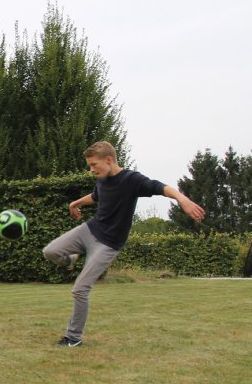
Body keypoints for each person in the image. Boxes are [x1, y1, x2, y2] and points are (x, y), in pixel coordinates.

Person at [42, 141, 205, 347]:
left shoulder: (131, 180)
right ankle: (70, 260)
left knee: (80, 289)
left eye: (94, 164)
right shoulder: (102, 179)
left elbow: (160, 187)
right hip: (90, 229)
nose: (91, 169)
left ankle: (73, 338)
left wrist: (183, 199)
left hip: (108, 244)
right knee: (50, 251)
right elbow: (96, 196)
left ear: (109, 160)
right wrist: (76, 203)